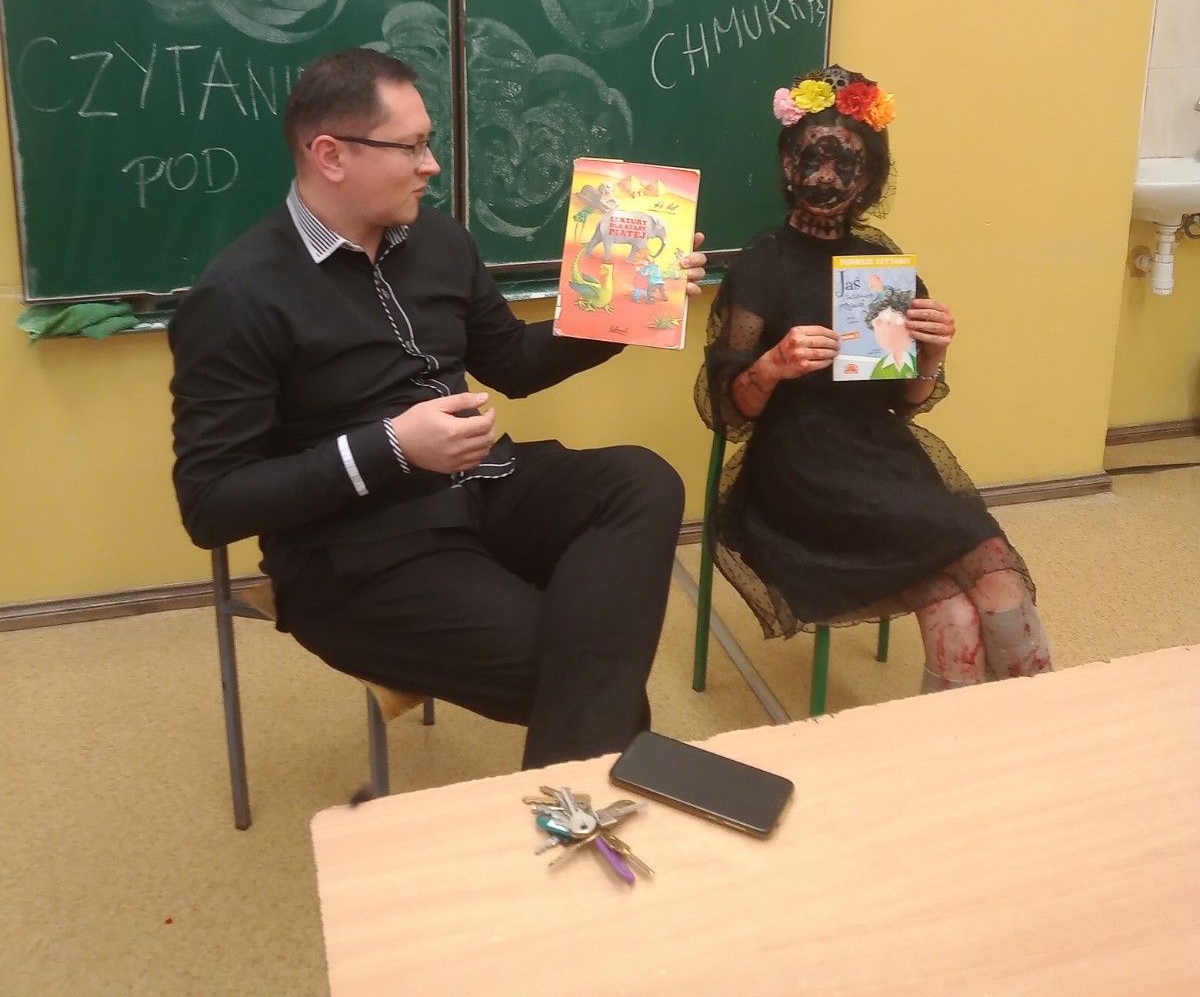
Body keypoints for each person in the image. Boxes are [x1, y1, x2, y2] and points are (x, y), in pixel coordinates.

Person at [171, 48, 707, 770]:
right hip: (355, 551)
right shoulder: (237, 296)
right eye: (412, 147)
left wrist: (629, 305)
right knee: (582, 677)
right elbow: (210, 504)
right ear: (331, 155)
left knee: (640, 481)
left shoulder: (439, 240)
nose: (431, 165)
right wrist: (390, 446)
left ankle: (571, 803)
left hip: (479, 486)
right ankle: (576, 807)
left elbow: (512, 362)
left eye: (428, 143)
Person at [695, 64, 1051, 692]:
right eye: (813, 158)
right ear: (788, 164)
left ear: (868, 179)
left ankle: (1041, 728)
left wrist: (933, 351)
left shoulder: (879, 263)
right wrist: (773, 365)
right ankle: (969, 737)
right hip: (797, 464)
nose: (825, 177)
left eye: (845, 164)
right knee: (954, 610)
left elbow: (906, 398)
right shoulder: (764, 261)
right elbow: (730, 411)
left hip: (880, 451)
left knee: (1000, 588)